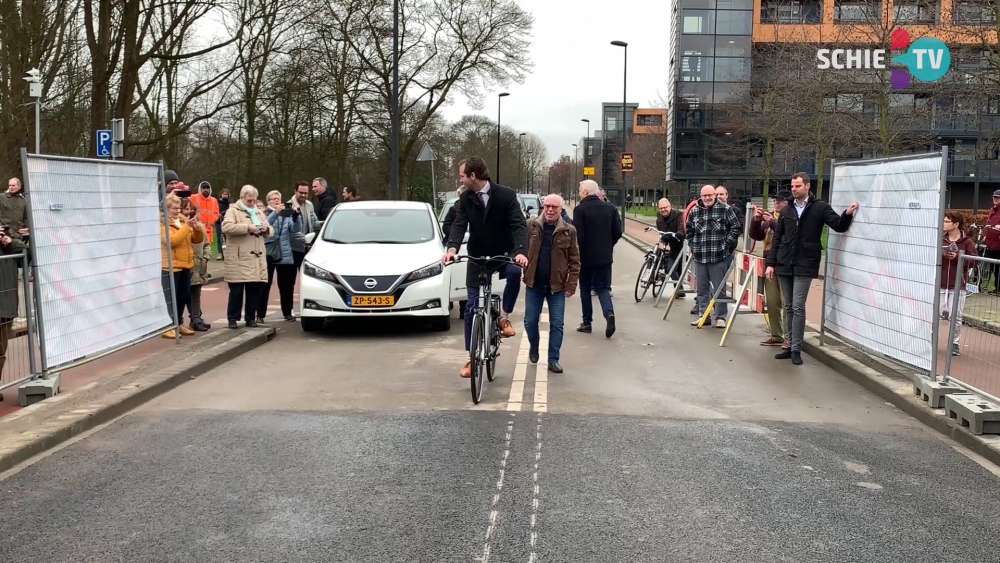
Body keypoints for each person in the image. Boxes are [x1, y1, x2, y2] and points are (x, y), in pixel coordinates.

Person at [442, 157, 528, 379]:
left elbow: (518, 224)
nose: (460, 178)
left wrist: (520, 252)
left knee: (514, 273)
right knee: (472, 306)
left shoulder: (506, 195)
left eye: (462, 175)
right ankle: (472, 358)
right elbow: (460, 224)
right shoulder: (466, 197)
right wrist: (451, 249)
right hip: (478, 255)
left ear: (473, 176)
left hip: (504, 252)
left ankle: (504, 317)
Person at [765, 172, 858, 365]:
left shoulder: (819, 207)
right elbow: (777, 238)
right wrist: (771, 263)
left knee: (798, 306)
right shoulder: (786, 210)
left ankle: (797, 348)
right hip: (784, 263)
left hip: (805, 263)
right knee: (789, 306)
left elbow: (838, 225)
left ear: (807, 186)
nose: (794, 189)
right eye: (792, 186)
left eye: (797, 186)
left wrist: (847, 214)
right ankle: (789, 345)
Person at [523, 194, 580, 374]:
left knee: (557, 324)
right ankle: (534, 345)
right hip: (534, 284)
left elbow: (575, 260)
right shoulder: (531, 226)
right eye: (547, 206)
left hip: (557, 286)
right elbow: (521, 250)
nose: (550, 209)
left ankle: (553, 359)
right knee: (530, 321)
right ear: (542, 207)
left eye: (554, 207)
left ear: (560, 210)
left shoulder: (569, 231)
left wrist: (571, 284)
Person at [685, 185, 741, 328]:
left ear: (715, 195)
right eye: (704, 196)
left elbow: (736, 227)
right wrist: (693, 245)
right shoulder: (694, 211)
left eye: (710, 195)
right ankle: (704, 315)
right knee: (701, 289)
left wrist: (726, 244)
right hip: (700, 257)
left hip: (718, 256)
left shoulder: (725, 209)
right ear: (700, 196)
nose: (707, 198)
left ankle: (721, 317)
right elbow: (689, 230)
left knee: (719, 289)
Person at [573, 179, 622, 338]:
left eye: (580, 190)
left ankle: (586, 323)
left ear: (585, 192)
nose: (579, 192)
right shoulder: (610, 208)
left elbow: (578, 236)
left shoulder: (580, 209)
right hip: (605, 257)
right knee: (602, 288)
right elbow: (617, 232)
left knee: (585, 289)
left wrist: (576, 254)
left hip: (586, 257)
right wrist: (608, 245)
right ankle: (609, 314)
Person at [222, 185, 273, 328]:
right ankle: (232, 318)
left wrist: (266, 228)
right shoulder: (233, 211)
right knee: (236, 291)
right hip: (239, 258)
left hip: (255, 257)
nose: (252, 203)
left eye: (254, 201)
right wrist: (247, 227)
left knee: (253, 290)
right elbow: (226, 227)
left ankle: (250, 318)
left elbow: (270, 230)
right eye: (249, 200)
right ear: (242, 198)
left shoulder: (259, 212)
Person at [748, 190, 792, 348]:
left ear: (788, 203)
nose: (777, 203)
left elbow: (788, 233)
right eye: (775, 201)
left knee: (788, 301)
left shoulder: (791, 215)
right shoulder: (770, 215)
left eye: (781, 201)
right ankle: (776, 334)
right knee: (772, 301)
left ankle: (790, 336)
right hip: (769, 260)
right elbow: (757, 236)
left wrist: (772, 222)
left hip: (786, 262)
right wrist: (756, 220)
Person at [160, 194, 205, 338]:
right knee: (170, 298)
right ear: (166, 209)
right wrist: (187, 227)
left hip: (186, 264)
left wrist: (197, 229)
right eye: (173, 208)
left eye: (178, 207)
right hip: (170, 266)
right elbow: (172, 241)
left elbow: (196, 240)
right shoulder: (162, 224)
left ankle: (178, 324)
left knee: (182, 296)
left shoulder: (183, 221)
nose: (177, 210)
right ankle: (168, 326)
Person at [258, 190, 302, 322]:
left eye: (278, 198)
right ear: (268, 201)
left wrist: (295, 217)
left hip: (285, 252)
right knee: (264, 284)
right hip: (269, 252)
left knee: (286, 285)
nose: (276, 201)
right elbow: (265, 226)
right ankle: (260, 314)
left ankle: (287, 312)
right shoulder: (263, 213)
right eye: (273, 199)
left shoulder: (286, 214)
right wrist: (275, 213)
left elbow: (295, 229)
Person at [941, 210, 977, 356]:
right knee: (933, 312)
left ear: (956, 224)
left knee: (955, 315)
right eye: (943, 221)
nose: (944, 223)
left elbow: (974, 262)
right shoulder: (940, 239)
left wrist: (958, 257)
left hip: (958, 285)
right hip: (941, 283)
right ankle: (930, 336)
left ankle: (954, 342)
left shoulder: (967, 242)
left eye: (947, 221)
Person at [655, 198, 685, 297]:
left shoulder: (678, 215)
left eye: (665, 207)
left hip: (680, 245)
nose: (663, 210)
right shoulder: (659, 220)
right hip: (670, 247)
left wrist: (679, 233)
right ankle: (679, 289)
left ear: (670, 206)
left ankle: (679, 289)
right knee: (670, 268)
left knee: (673, 268)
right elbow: (662, 233)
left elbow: (681, 227)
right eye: (661, 208)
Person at [288, 181, 320, 270]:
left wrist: (326, 223)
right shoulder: (289, 206)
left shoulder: (309, 205)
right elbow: (290, 230)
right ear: (295, 191)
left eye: (305, 193)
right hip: (293, 249)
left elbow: (314, 223)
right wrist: (305, 239)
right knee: (290, 280)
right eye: (301, 193)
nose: (303, 195)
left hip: (307, 248)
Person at [983, 190, 1000, 295]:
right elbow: (988, 223)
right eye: (994, 197)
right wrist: (985, 235)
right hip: (990, 243)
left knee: (997, 267)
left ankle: (998, 289)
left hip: (998, 243)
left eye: (998, 197)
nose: (995, 199)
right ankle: (997, 288)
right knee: (993, 267)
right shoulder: (992, 210)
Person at [216, 188, 231, 260]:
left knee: (227, 237)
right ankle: (220, 253)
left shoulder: (229, 203)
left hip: (227, 221)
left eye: (226, 194)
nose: (225, 196)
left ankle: (228, 253)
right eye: (223, 194)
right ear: (221, 194)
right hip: (218, 221)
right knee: (219, 237)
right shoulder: (217, 202)